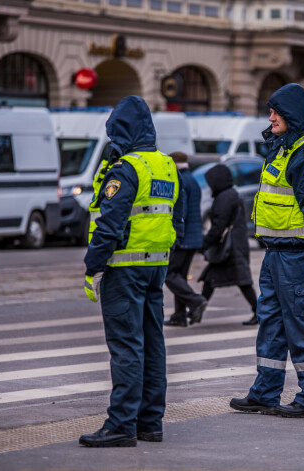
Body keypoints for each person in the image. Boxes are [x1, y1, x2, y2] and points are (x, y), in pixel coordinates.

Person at [79, 96, 184, 447]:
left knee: (126, 347)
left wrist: (93, 266)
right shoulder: (166, 165)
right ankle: (150, 423)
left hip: (123, 269)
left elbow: (109, 224)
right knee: (153, 344)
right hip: (156, 266)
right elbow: (177, 219)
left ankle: (121, 424)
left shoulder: (127, 168)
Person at [229, 83, 304, 418]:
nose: (270, 117)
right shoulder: (283, 148)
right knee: (271, 323)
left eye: (276, 111)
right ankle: (265, 393)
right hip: (276, 254)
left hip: (297, 257)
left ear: (291, 114)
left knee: (303, 324)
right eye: (270, 111)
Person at [197, 164, 258, 326]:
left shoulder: (224, 197)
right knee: (211, 277)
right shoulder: (230, 194)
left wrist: (204, 243)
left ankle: (258, 311)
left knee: (242, 279)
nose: (210, 186)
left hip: (231, 246)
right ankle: (196, 310)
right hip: (235, 242)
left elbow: (218, 226)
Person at [164, 151, 208, 327]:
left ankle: (196, 301)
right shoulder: (193, 180)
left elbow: (181, 211)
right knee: (179, 276)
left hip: (184, 238)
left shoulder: (180, 180)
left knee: (169, 274)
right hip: (193, 237)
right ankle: (179, 316)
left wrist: (176, 235)